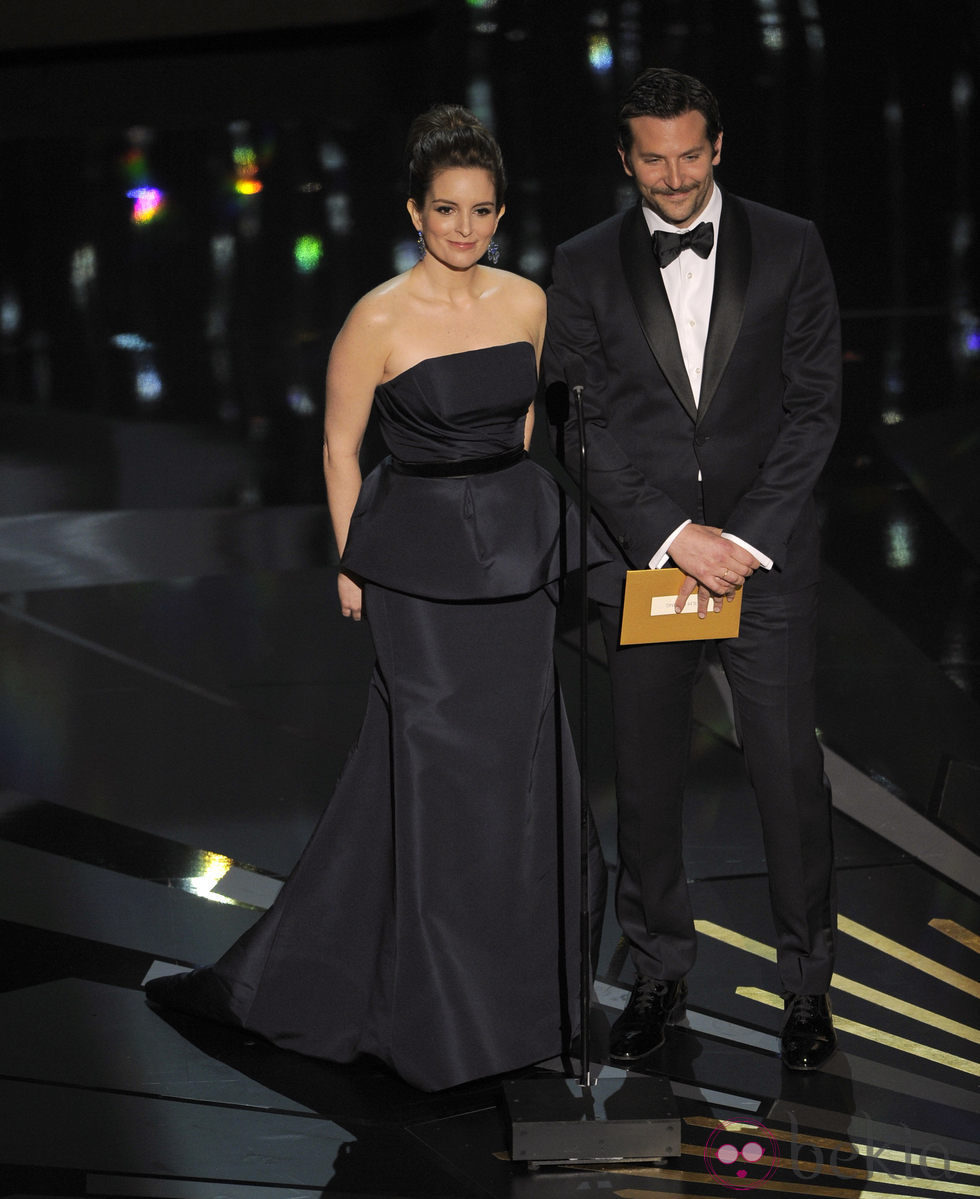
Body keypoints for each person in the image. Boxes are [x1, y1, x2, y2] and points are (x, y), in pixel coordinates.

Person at [146, 104, 607, 1091]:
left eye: (480, 210)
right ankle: (435, 1010)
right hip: (417, 571)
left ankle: (520, 997)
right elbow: (338, 447)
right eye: (446, 209)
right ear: (414, 210)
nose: (463, 229)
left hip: (516, 565)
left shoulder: (529, 302)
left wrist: (522, 529)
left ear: (497, 213)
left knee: (519, 773)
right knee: (432, 772)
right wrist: (353, 562)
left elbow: (529, 425)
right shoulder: (376, 317)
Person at [542, 67, 841, 1072]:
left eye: (687, 153)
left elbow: (812, 407)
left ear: (717, 147)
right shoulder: (581, 263)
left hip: (764, 562)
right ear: (624, 158)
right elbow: (576, 428)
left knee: (786, 775)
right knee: (647, 776)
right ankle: (658, 967)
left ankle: (806, 987)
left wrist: (741, 538)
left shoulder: (791, 244)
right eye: (650, 157)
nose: (671, 176)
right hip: (652, 562)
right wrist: (672, 534)